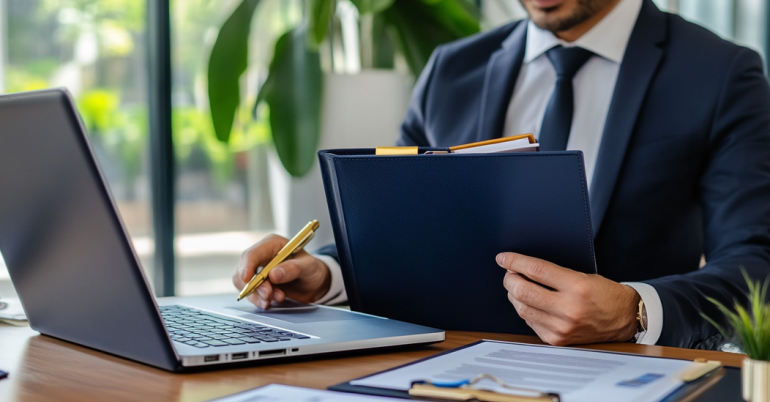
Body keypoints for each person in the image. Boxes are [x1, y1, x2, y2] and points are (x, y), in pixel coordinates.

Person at [234, 0, 770, 350]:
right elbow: (402, 230)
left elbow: (755, 263)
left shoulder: (720, 72)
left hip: (626, 379)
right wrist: (326, 276)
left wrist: (635, 312)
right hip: (441, 371)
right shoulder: (452, 68)